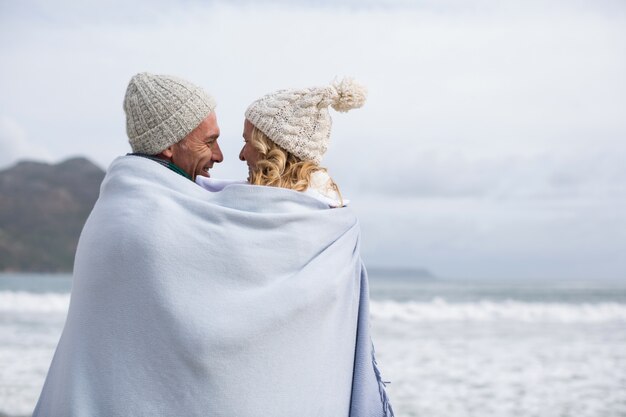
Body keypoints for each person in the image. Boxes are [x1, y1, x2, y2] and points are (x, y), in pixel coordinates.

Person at [197, 79, 395, 416]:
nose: (242, 154)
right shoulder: (334, 216)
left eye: (248, 142)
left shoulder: (329, 228)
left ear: (276, 147)